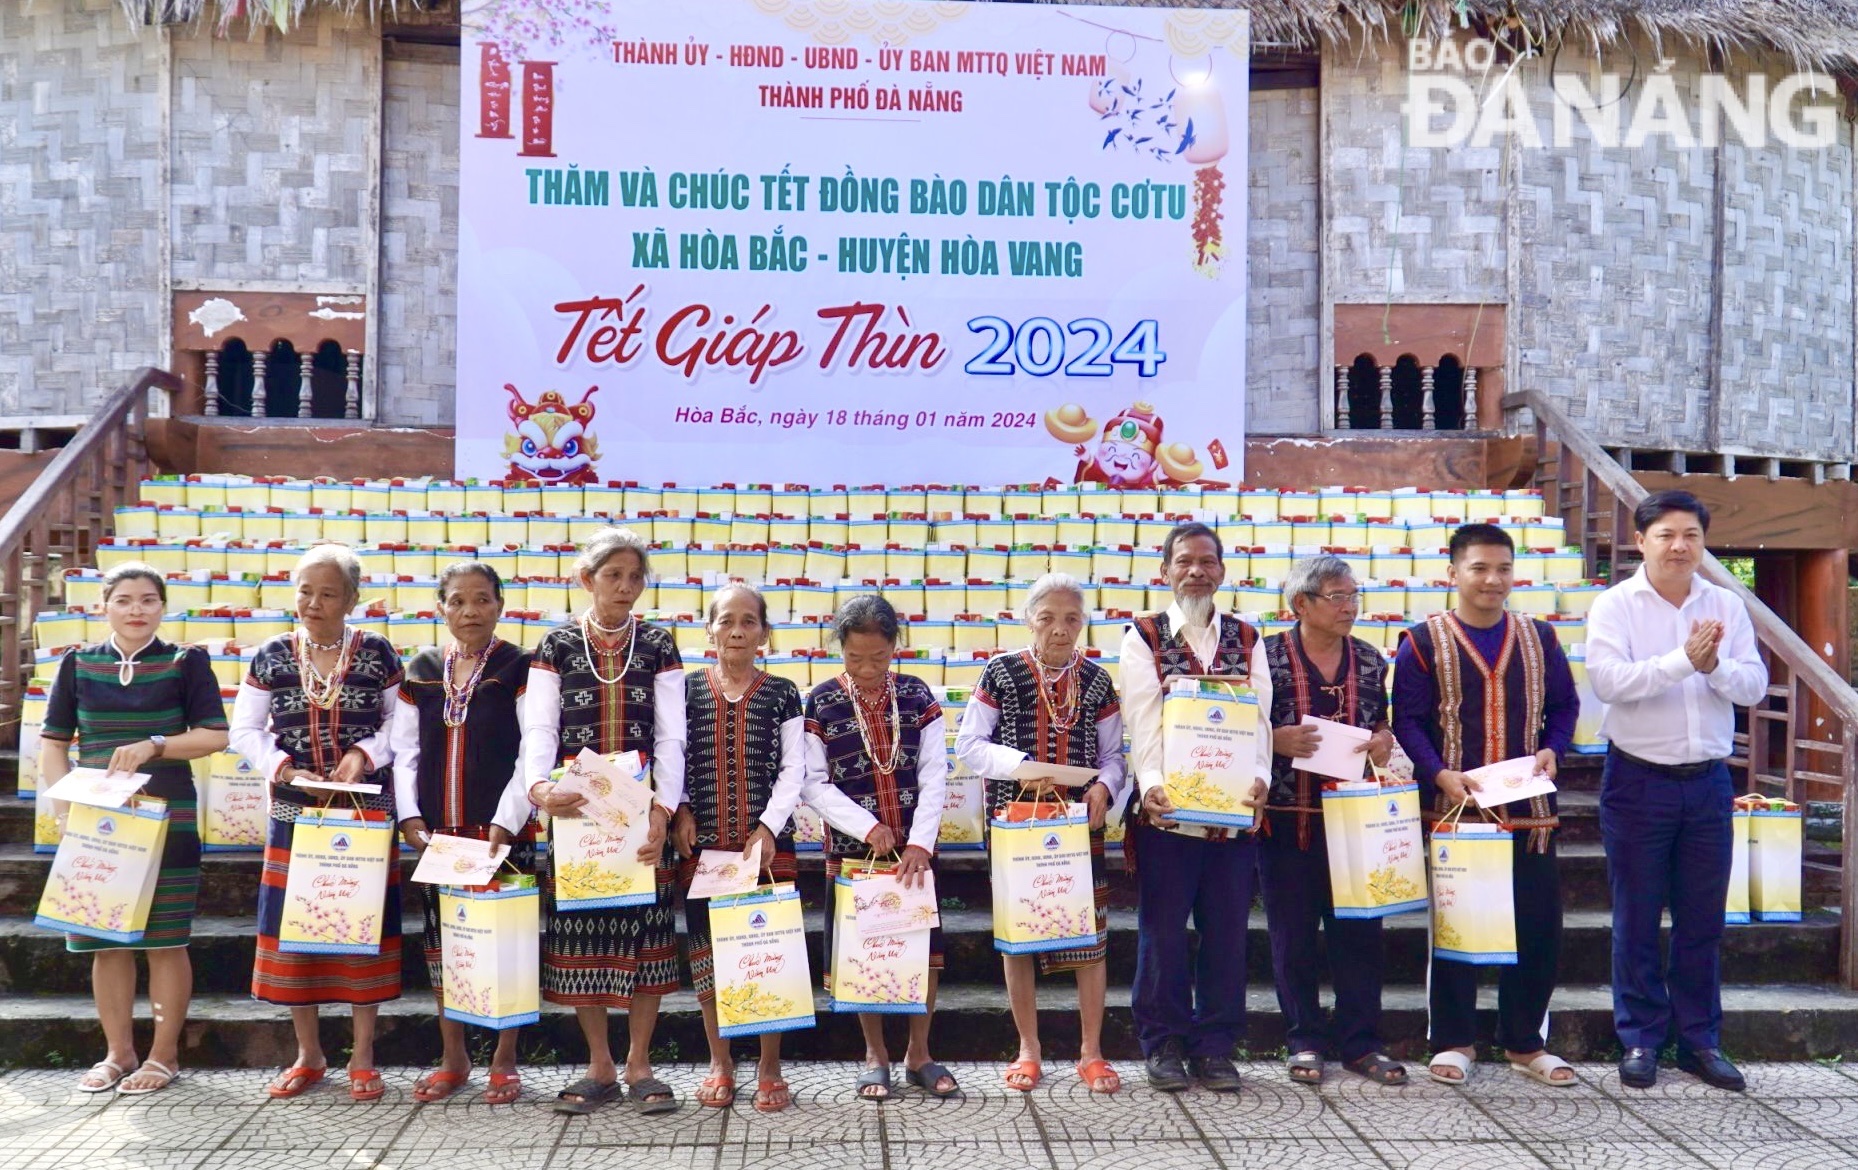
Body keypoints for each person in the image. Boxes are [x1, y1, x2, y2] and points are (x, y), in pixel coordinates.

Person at [1586, 491, 1767, 1091]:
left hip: (1708, 784)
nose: (1679, 546)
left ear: (1703, 542)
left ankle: (1700, 1040)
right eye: (1665, 534)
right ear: (1641, 540)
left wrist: (1713, 666)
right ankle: (1639, 1039)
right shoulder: (1615, 605)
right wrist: (1682, 661)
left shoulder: (1724, 604)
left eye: (1691, 534)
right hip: (1638, 779)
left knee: (1701, 919)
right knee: (1636, 915)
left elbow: (1754, 686)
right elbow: (1609, 682)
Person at [1391, 523, 1579, 1088]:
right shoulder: (1422, 643)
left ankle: (1525, 1043)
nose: (1493, 580)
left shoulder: (1540, 637)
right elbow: (1408, 720)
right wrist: (1439, 774)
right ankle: (1453, 1040)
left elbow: (1566, 706)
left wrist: (1554, 749)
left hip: (1530, 814)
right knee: (1455, 927)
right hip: (1457, 813)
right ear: (1453, 574)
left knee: (1539, 926)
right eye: (1479, 568)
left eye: (1503, 568)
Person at [37, 563, 229, 1096]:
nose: (136, 610)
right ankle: (118, 1053)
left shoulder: (185, 662)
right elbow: (54, 743)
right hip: (97, 821)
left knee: (166, 940)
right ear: (104, 606)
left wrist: (155, 744)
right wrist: (65, 808)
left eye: (148, 600)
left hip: (168, 816)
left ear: (162, 607)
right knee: (106, 943)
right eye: (124, 600)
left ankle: (163, 1055)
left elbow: (214, 736)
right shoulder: (77, 664)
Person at [512, 526, 683, 1115]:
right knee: (584, 935)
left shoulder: (659, 644)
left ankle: (640, 1064)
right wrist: (539, 788)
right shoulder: (555, 646)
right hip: (577, 814)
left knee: (646, 940)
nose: (626, 587)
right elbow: (539, 728)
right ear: (587, 580)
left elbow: (671, 739)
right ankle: (599, 1065)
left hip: (638, 815)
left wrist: (663, 808)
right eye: (614, 576)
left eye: (636, 577)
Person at [673, 583, 861, 1113]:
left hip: (765, 849)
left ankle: (770, 1066)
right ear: (709, 629)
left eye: (749, 621)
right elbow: (675, 759)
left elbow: (792, 770)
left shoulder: (781, 692)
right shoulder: (686, 689)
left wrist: (768, 827)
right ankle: (721, 1062)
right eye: (726, 620)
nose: (737, 630)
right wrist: (682, 808)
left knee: (766, 956)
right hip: (703, 847)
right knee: (708, 957)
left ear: (764, 632)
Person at [229, 543, 405, 1101]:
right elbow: (245, 731)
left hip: (362, 813)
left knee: (360, 929)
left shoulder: (378, 653)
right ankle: (309, 1054)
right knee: (297, 934)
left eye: (329, 593)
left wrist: (365, 754)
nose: (314, 602)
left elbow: (402, 725)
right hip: (295, 812)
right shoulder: (271, 654)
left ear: (352, 598)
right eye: (305, 590)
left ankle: (364, 1054)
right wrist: (282, 766)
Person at [957, 573, 1127, 1095]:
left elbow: (1113, 757)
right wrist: (1024, 767)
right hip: (1018, 826)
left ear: (1084, 624)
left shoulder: (1097, 681)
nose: (1060, 629)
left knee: (1091, 939)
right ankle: (1028, 1048)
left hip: (1077, 828)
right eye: (1047, 617)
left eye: (1072, 618)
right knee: (1019, 940)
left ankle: (1091, 1052)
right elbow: (969, 745)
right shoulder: (1001, 672)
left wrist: (1104, 787)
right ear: (1028, 619)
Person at [1118, 522, 1273, 1094]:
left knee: (1228, 931)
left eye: (1207, 561)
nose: (1196, 571)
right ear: (1165, 571)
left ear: (1223, 571)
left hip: (1233, 815)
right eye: (1184, 561)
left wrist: (1260, 779)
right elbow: (1142, 720)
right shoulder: (1144, 636)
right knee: (1162, 930)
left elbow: (1258, 721)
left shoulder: (1248, 637)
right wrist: (1153, 784)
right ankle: (1162, 1045)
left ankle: (1215, 1046)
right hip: (1167, 813)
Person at [389, 561, 536, 1104]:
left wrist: (506, 818)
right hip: (439, 838)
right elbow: (405, 752)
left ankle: (505, 1059)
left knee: (508, 943)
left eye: (481, 600)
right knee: (445, 948)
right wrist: (410, 817)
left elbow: (532, 750)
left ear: (500, 605)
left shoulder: (521, 667)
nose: (469, 611)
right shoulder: (422, 669)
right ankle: (454, 1057)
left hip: (502, 832)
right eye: (457, 601)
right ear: (440, 607)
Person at [805, 594, 959, 1102]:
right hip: (855, 853)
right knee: (864, 953)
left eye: (878, 657)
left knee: (923, 953)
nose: (867, 668)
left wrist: (920, 842)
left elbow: (936, 772)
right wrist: (868, 826)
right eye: (855, 658)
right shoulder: (822, 701)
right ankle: (875, 1055)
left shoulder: (917, 695)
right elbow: (814, 783)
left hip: (915, 852)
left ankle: (920, 1051)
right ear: (840, 650)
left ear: (895, 646)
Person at [1260, 554, 1403, 1085]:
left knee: (1361, 935)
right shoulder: (1267, 657)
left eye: (1353, 596)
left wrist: (1385, 740)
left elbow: (1382, 721)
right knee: (1291, 935)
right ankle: (1303, 1040)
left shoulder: (1369, 660)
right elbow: (1240, 727)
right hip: (1286, 819)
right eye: (1337, 597)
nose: (1350, 607)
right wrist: (1273, 739)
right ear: (1301, 604)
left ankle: (1362, 1043)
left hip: (1356, 823)